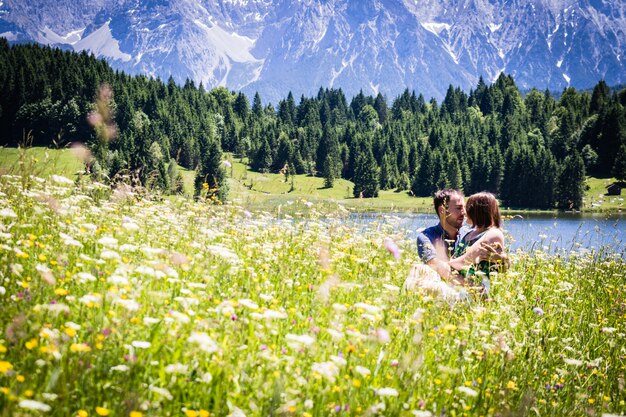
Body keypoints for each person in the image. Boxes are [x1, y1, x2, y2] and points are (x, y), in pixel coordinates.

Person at [405, 189, 506, 299]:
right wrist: (473, 286)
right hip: (444, 289)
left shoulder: (470, 235)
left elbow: (495, 264)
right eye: (458, 208)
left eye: (464, 207)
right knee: (418, 271)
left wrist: (503, 260)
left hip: (463, 293)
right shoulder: (427, 237)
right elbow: (437, 267)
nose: (464, 212)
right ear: (442, 210)